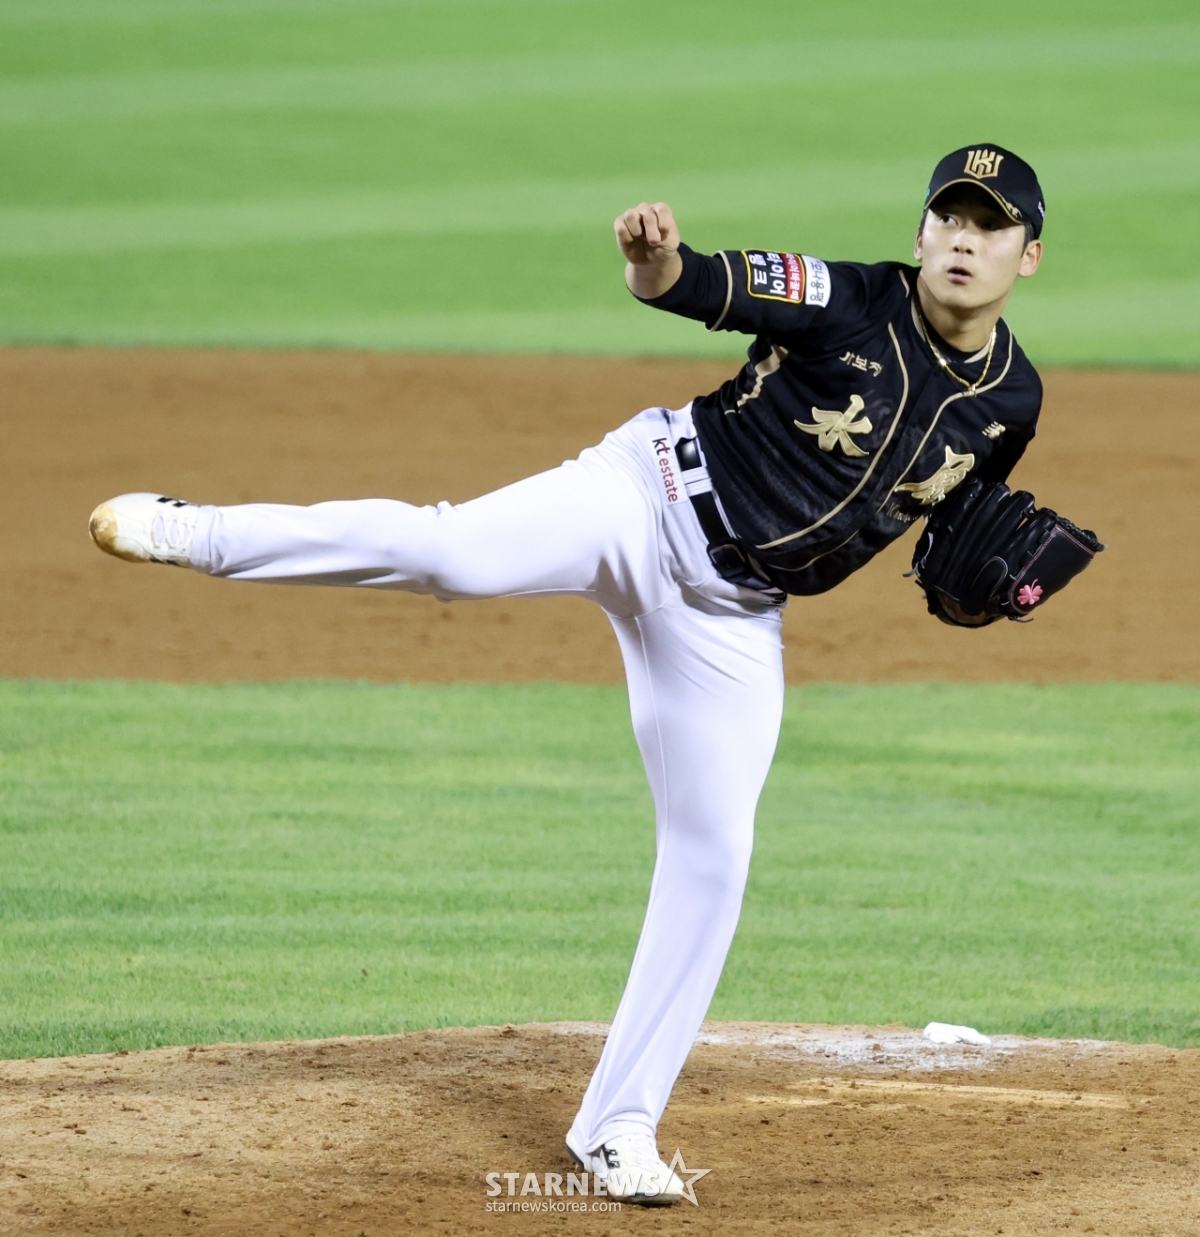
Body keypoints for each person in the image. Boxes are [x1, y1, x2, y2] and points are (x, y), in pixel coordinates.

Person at [88, 144, 1047, 1205]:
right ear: (920, 234)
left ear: (1028, 256)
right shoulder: (844, 297)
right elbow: (690, 283)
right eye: (950, 218)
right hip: (644, 496)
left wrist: (978, 598)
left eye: (989, 225)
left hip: (731, 616)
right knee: (452, 554)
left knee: (716, 856)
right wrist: (654, 259)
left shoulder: (1015, 401)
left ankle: (618, 1122)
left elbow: (951, 535)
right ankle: (202, 532)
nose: (964, 240)